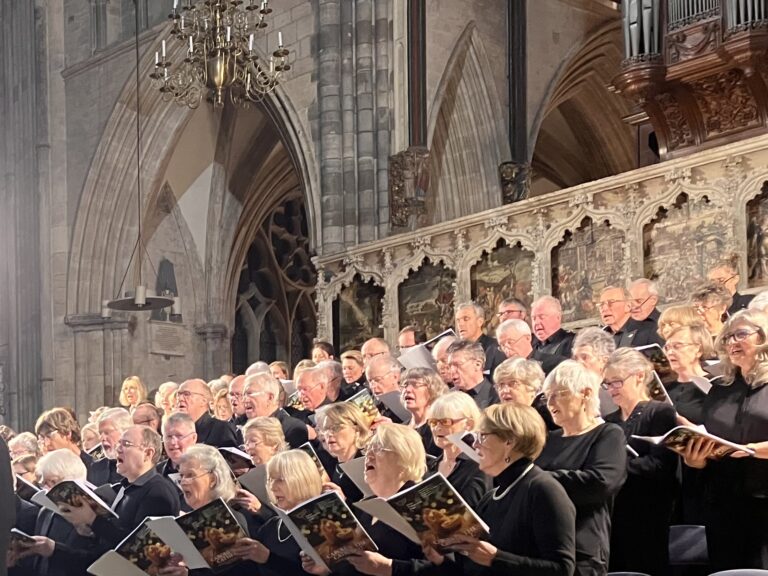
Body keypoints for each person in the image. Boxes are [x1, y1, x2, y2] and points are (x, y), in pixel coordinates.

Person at [420, 403, 577, 576]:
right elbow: (472, 570)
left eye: (482, 436)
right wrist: (441, 561)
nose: (475, 445)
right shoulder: (491, 497)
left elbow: (562, 569)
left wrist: (496, 558)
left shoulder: (543, 490)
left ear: (510, 440)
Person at [681, 309, 768, 570]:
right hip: (723, 501)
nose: (732, 342)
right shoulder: (720, 389)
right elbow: (710, 438)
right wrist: (695, 460)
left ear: (763, 337)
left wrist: (755, 450)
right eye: (728, 337)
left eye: (741, 334)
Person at [535, 360, 627, 576]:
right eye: (547, 396)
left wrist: (541, 481)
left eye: (559, 394)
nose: (550, 402)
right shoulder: (548, 440)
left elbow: (600, 483)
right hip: (541, 547)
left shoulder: (608, 434)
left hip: (583, 548)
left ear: (585, 393)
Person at [303, 423, 427, 576]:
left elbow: (450, 569)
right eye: (368, 448)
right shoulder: (368, 508)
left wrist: (390, 567)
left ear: (403, 457)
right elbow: (360, 564)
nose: (368, 455)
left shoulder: (421, 503)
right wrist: (328, 568)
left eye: (378, 448)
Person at [603, 348, 679, 576]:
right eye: (607, 384)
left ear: (638, 376)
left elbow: (661, 466)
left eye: (617, 382)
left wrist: (615, 468)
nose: (611, 390)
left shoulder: (660, 413)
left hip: (648, 511)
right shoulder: (609, 421)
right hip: (615, 512)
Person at [58, 426, 180, 549]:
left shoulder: (158, 492)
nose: (118, 450)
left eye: (126, 444)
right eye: (118, 444)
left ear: (148, 453)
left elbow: (139, 547)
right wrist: (90, 531)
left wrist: (93, 520)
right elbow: (113, 534)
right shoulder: (125, 487)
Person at [233, 450, 325, 576]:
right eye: (270, 480)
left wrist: (269, 559)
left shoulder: (323, 525)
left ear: (303, 479)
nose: (272, 487)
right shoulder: (269, 528)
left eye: (280, 480)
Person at [9, 449, 97, 576]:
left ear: (73, 479)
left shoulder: (93, 515)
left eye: (53, 482)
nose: (48, 490)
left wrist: (55, 550)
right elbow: (38, 565)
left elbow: (93, 563)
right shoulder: (45, 512)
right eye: (44, 484)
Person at [426, 391, 490, 507]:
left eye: (445, 422)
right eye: (433, 422)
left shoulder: (479, 466)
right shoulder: (429, 466)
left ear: (468, 424)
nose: (437, 428)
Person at [316, 403, 371, 502]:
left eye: (336, 428)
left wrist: (344, 501)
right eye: (326, 429)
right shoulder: (335, 465)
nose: (329, 434)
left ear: (357, 429)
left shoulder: (367, 463)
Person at [664, 323, 715, 425]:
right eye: (667, 348)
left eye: (677, 346)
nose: (670, 352)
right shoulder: (665, 387)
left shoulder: (714, 384)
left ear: (698, 350)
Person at [243, 371, 310, 448]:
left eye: (249, 394)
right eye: (244, 395)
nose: (244, 400)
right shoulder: (244, 426)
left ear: (270, 397)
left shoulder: (293, 429)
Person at [493, 357, 555, 430]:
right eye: (501, 385)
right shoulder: (500, 418)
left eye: (513, 383)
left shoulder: (548, 415)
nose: (505, 390)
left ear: (532, 385)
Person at [177, 378, 239, 448]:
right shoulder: (175, 430)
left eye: (186, 394)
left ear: (204, 400)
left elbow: (229, 457)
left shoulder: (221, 429)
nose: (180, 399)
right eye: (178, 395)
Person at [401, 367, 449, 457]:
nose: (407, 389)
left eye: (415, 385)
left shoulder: (438, 428)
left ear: (433, 390)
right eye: (405, 384)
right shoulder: (401, 428)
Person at [599, 285, 663, 348]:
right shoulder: (599, 337)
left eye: (611, 302)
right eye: (601, 304)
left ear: (628, 306)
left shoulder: (650, 330)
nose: (604, 308)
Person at [454, 302, 507, 376]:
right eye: (458, 320)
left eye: (466, 319)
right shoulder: (457, 351)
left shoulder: (494, 348)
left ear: (480, 322)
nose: (460, 324)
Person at [447, 339, 499, 409]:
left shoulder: (497, 396)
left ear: (478, 364)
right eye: (450, 366)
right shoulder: (447, 397)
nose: (452, 371)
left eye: (458, 364)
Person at [88, 407, 133, 485]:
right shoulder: (95, 468)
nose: (101, 438)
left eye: (107, 432)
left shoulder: (141, 465)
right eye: (100, 433)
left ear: (126, 431)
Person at [365, 355, 411, 423]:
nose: (372, 386)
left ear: (395, 377)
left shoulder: (411, 400)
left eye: (377, 380)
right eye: (370, 381)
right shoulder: (372, 406)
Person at [531, 295, 575, 360]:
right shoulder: (530, 342)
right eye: (534, 318)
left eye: (542, 317)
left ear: (558, 317)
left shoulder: (572, 342)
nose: (536, 322)